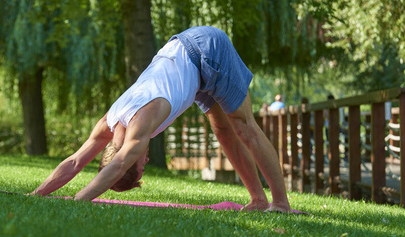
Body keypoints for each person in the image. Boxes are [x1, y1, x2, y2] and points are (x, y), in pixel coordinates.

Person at [29, 26, 292, 213]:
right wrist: (36, 196)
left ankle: (280, 203)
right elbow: (75, 161)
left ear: (133, 159)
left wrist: (78, 200)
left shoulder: (138, 127)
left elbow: (119, 166)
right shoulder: (109, 122)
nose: (146, 160)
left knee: (244, 127)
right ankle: (258, 200)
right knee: (223, 131)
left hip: (207, 50)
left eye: (141, 164)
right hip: (187, 60)